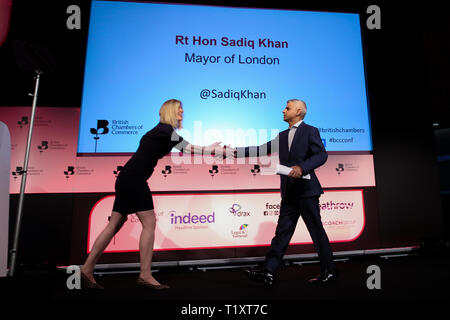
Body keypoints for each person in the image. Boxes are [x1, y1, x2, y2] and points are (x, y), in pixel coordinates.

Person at [80, 99, 224, 289]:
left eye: (182, 109)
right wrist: (212, 149)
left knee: (114, 224)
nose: (182, 111)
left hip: (127, 178)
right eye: (179, 109)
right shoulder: (165, 131)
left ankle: (87, 269)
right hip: (134, 180)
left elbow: (187, 148)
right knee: (149, 223)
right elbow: (188, 149)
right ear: (170, 111)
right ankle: (145, 275)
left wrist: (209, 148)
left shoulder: (161, 131)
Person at [234, 99, 337, 285]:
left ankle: (329, 271)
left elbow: (321, 155)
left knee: (316, 232)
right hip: (289, 193)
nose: (283, 110)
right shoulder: (281, 136)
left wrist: (302, 167)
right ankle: (268, 272)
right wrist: (232, 151)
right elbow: (261, 149)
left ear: (298, 111)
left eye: (287, 108)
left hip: (307, 191)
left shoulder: (310, 131)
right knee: (282, 233)